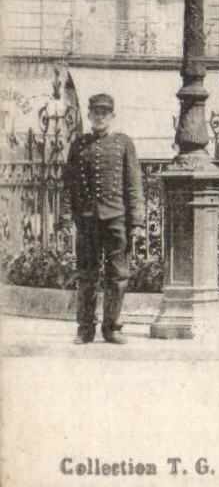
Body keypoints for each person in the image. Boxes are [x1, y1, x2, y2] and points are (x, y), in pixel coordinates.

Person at [63, 92, 145, 345]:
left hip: (116, 219)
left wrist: (137, 222)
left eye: (104, 113)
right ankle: (85, 329)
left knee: (118, 276)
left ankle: (112, 328)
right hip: (87, 220)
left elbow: (133, 184)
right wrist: (66, 218)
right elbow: (70, 185)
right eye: (95, 113)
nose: (99, 117)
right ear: (89, 115)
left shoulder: (124, 143)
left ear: (112, 115)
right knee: (86, 275)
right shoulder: (78, 145)